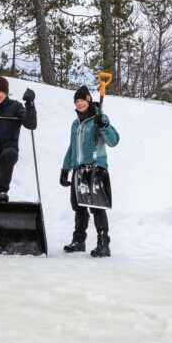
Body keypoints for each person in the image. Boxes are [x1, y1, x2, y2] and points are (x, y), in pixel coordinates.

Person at [60, 85, 120, 257]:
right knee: (78, 205)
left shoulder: (99, 118)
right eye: (77, 101)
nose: (79, 104)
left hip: (95, 168)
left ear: (89, 100)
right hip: (79, 169)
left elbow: (114, 141)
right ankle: (79, 241)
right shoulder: (75, 124)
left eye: (82, 100)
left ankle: (104, 244)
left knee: (97, 206)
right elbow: (72, 147)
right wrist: (65, 169)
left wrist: (104, 125)